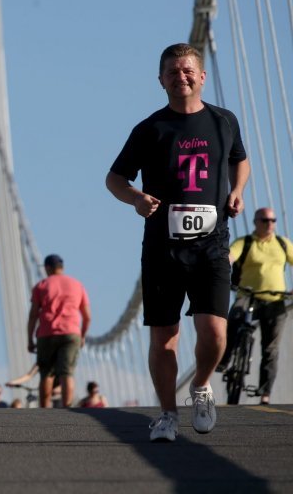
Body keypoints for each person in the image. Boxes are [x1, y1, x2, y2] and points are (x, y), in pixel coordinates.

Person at [106, 43, 249, 442]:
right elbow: (114, 179)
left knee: (215, 333)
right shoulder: (150, 129)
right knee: (164, 336)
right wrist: (135, 198)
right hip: (162, 247)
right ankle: (167, 414)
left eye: (188, 70)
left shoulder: (224, 121)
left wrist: (237, 190)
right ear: (161, 80)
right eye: (172, 72)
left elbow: (241, 159)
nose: (180, 76)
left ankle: (201, 386)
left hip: (212, 244)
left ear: (201, 77)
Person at [218, 207, 293, 404]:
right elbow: (230, 256)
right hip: (247, 295)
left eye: (273, 220)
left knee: (270, 348)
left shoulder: (283, 244)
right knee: (233, 320)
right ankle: (225, 359)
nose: (270, 224)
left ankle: (265, 393)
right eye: (265, 220)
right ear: (255, 222)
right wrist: (221, 267)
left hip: (275, 299)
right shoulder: (246, 242)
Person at [27, 254, 91, 408]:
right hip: (71, 333)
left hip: (47, 333)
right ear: (61, 268)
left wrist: (30, 339)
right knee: (67, 373)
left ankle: (44, 408)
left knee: (46, 373)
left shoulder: (41, 285)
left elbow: (33, 315)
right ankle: (67, 407)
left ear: (48, 268)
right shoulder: (77, 285)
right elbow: (87, 316)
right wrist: (82, 335)